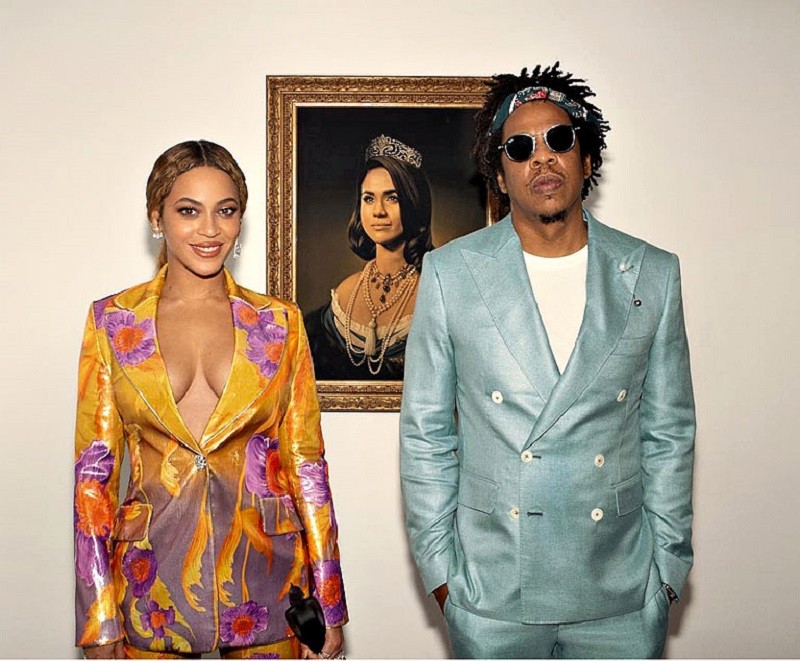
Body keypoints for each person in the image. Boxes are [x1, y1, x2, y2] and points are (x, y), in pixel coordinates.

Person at [400, 63, 695, 658]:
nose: (542, 158)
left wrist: (666, 568)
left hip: (620, 590)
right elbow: (426, 433)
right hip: (491, 592)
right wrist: (442, 574)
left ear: (586, 159)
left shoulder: (653, 273)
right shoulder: (451, 273)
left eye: (559, 139)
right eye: (520, 147)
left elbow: (669, 431)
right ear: (499, 175)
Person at [73, 140, 347, 659]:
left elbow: (307, 467)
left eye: (226, 210)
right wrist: (98, 620)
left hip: (267, 581)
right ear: (156, 217)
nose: (209, 229)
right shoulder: (112, 322)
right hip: (149, 584)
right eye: (188, 211)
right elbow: (93, 481)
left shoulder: (281, 323)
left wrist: (329, 601)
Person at [305, 135, 433, 380]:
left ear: (414, 202)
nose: (378, 211)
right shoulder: (345, 293)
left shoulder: (435, 289)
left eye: (392, 198)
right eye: (369, 198)